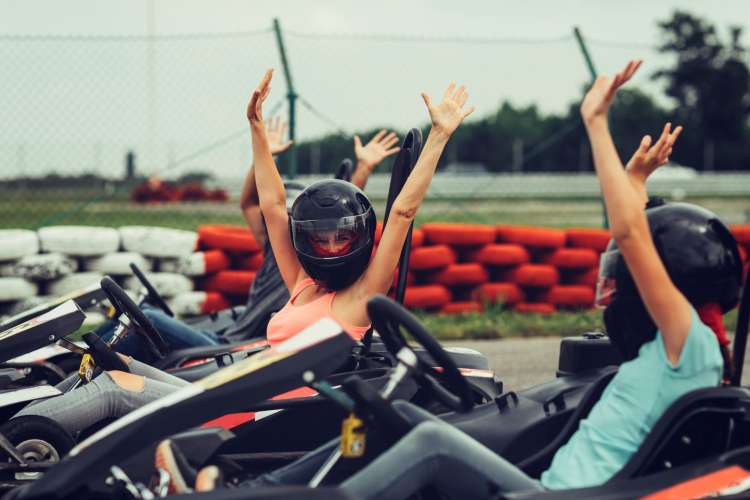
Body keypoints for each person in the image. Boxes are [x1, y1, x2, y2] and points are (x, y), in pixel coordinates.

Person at [171, 60, 743, 497]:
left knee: (427, 439)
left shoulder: (688, 347)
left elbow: (633, 238)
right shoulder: (669, 354)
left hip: (554, 493)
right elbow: (273, 205)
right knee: (412, 429)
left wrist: (596, 124)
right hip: (546, 479)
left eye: (634, 279)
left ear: (678, 288)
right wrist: (638, 184)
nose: (618, 289)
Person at [97, 119, 402, 360]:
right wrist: (261, 152)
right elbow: (255, 204)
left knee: (144, 317)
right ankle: (84, 360)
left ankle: (90, 362)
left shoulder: (310, 273)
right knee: (135, 317)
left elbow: (338, 223)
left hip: (234, 349)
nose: (322, 238)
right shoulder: (281, 251)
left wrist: (363, 170)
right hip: (228, 337)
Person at [246, 69, 473, 346]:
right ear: (306, 241)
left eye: (341, 238)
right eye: (321, 240)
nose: (331, 248)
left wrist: (439, 135)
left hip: (320, 389)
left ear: (358, 238)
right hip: (268, 386)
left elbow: (402, 213)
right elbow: (273, 205)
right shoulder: (300, 282)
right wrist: (256, 128)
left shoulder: (364, 294)